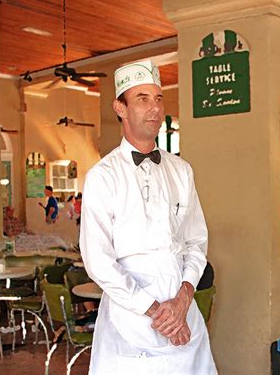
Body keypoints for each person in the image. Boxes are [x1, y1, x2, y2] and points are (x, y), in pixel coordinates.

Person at [80, 59, 216, 374]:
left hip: (183, 313)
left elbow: (196, 241)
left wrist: (183, 300)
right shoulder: (104, 176)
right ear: (120, 108)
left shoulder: (181, 170)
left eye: (158, 98)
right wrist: (158, 313)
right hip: (131, 317)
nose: (154, 108)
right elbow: (98, 261)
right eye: (142, 99)